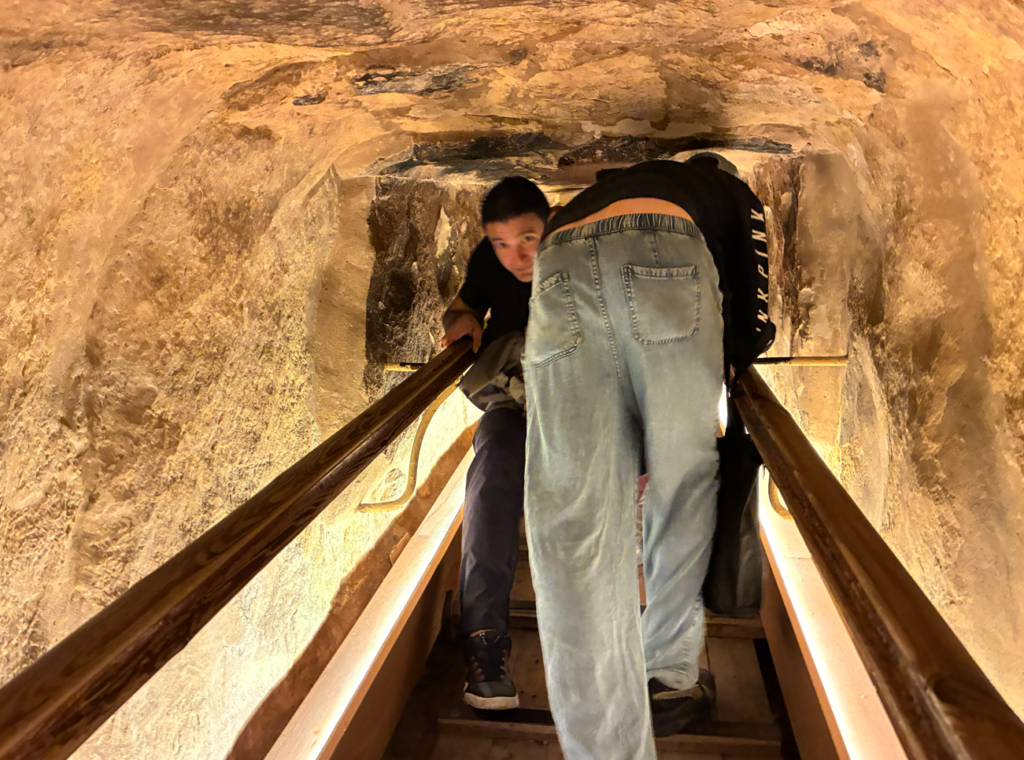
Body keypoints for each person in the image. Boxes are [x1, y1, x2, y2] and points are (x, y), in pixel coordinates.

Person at [523, 154, 766, 759]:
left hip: (558, 261)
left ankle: (604, 750)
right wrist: (734, 365)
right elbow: (755, 301)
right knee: (682, 488)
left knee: (573, 523)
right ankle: (667, 672)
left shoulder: (603, 194)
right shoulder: (723, 188)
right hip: (666, 250)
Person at [440, 176, 550, 709]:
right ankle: (485, 643)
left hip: (580, 400)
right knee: (491, 473)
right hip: (514, 393)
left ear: (550, 226)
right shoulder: (490, 261)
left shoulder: (581, 255)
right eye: (501, 242)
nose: (516, 256)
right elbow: (463, 304)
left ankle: (619, 648)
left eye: (528, 238)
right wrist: (461, 320)